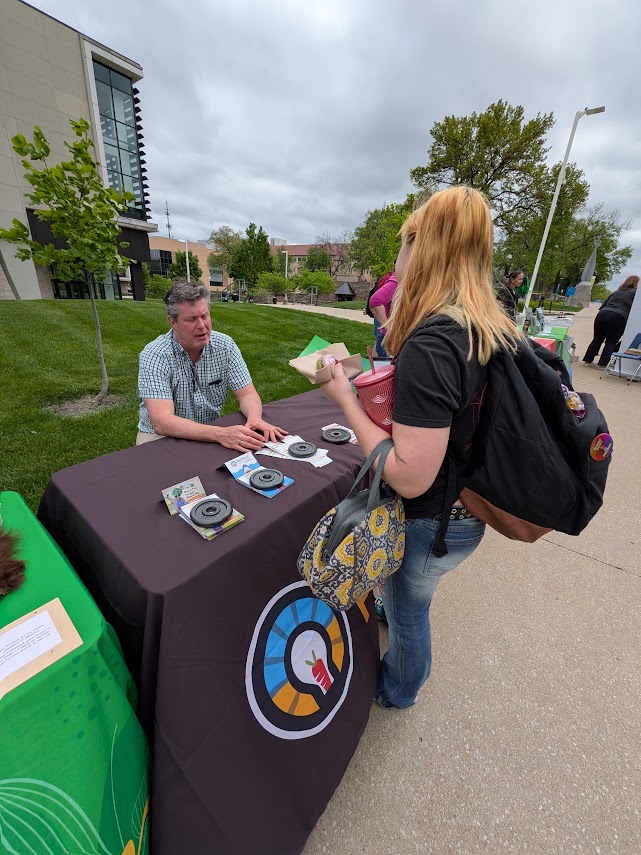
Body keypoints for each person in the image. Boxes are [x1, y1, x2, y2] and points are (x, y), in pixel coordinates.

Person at [321, 186, 521, 710]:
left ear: (422, 248)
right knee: (407, 599)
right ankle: (392, 617)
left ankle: (398, 689)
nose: (397, 258)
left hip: (433, 521)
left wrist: (345, 398)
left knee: (411, 616)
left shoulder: (434, 341)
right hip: (465, 508)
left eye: (404, 242)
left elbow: (409, 474)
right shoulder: (483, 326)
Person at [137, 281, 287, 449]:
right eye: (191, 319)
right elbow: (162, 423)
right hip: (159, 437)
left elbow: (247, 394)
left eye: (204, 316)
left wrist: (254, 418)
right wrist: (220, 434)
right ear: (173, 322)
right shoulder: (155, 355)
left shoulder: (225, 345)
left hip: (209, 431)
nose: (202, 326)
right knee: (180, 475)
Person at [582, 275, 639, 367]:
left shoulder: (617, 292)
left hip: (602, 314)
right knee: (611, 342)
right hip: (618, 316)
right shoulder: (636, 293)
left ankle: (588, 360)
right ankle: (603, 364)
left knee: (597, 339)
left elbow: (603, 306)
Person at [369, 272, 399, 357]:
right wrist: (389, 327)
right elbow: (375, 301)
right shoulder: (397, 281)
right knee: (384, 363)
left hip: (392, 334)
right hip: (391, 335)